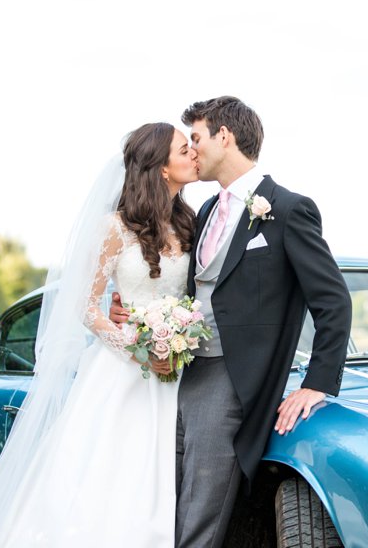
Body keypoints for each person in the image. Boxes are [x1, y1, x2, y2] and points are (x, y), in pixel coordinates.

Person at [111, 96, 352, 548]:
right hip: (172, 375)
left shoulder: (288, 209)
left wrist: (317, 383)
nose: (192, 150)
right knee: (161, 503)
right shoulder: (201, 212)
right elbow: (185, 288)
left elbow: (333, 301)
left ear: (225, 137)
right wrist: (132, 314)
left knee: (200, 515)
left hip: (230, 380)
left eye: (196, 139)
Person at [0, 122, 199, 547]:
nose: (193, 152)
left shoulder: (192, 223)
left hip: (180, 370)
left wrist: (174, 340)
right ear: (160, 167)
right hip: (123, 377)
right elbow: (85, 306)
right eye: (182, 148)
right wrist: (140, 348)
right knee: (109, 486)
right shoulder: (114, 228)